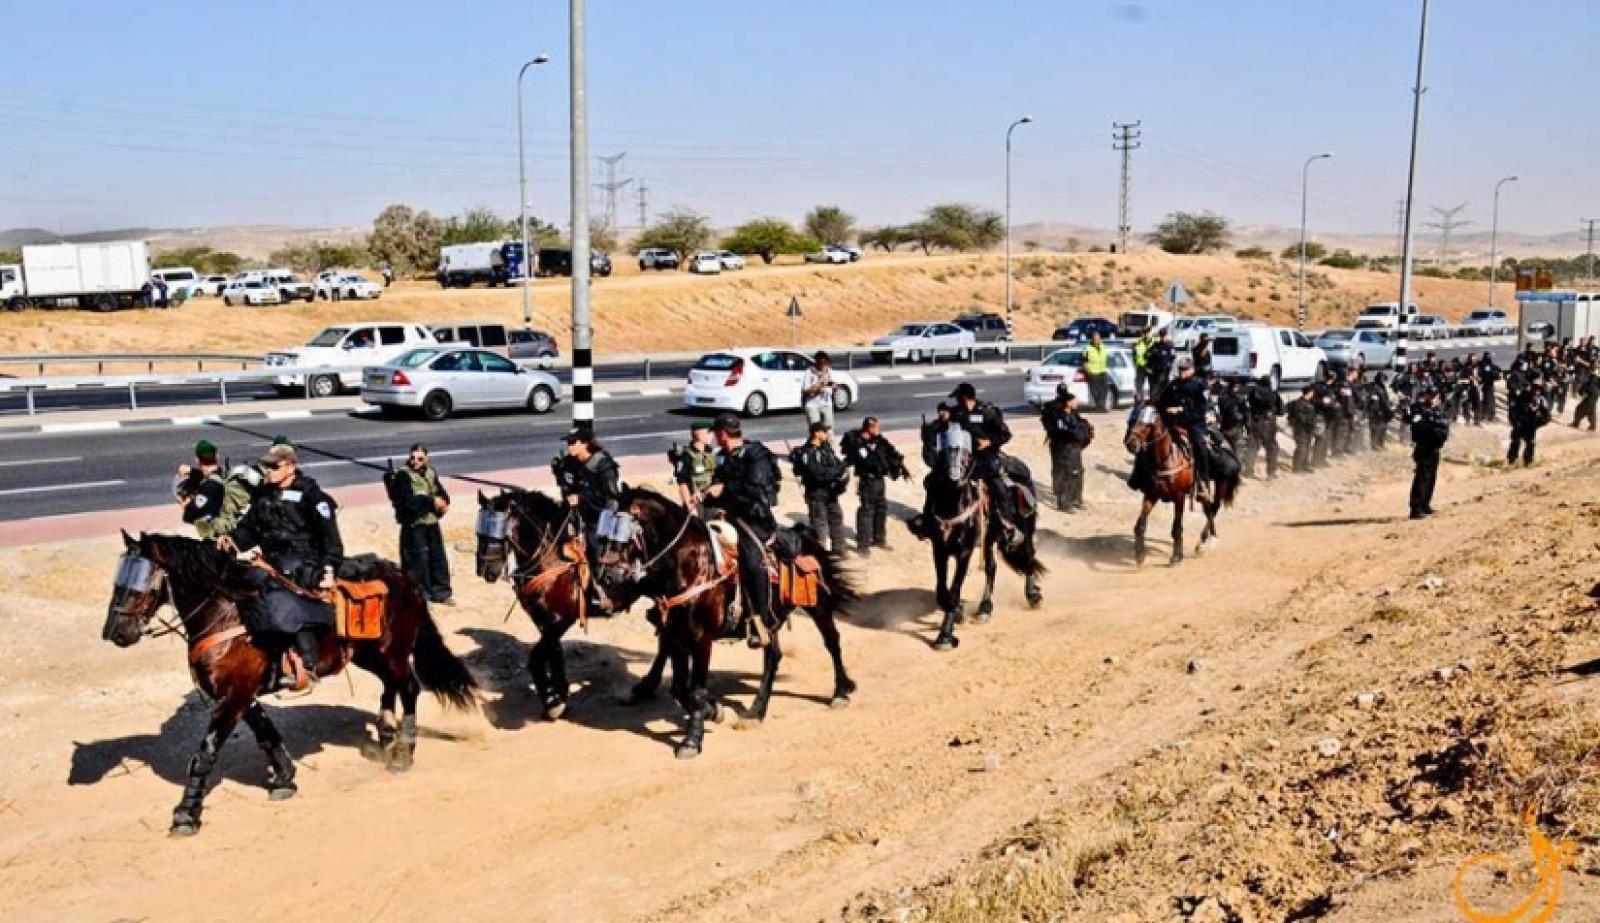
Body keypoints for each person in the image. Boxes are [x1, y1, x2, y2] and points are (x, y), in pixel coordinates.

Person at [219, 444, 342, 693]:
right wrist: (232, 538)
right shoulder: (264, 495)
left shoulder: (313, 497)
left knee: (279, 594)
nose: (268, 471)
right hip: (273, 561)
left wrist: (328, 569)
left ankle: (308, 661)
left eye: (274, 466)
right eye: (266, 466)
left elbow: (331, 539)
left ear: (291, 467)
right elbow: (248, 528)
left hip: (305, 562)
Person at [702, 414, 782, 644]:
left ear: (723, 433)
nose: (714, 437)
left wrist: (724, 489)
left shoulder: (757, 455)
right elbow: (717, 485)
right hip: (726, 515)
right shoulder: (722, 457)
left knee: (751, 561)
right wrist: (705, 495)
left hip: (754, 519)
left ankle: (762, 621)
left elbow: (755, 490)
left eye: (716, 433)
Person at [392, 444, 453, 605]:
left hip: (431, 522)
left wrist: (444, 502)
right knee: (418, 561)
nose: (415, 462)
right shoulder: (403, 476)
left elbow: (441, 492)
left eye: (420, 459)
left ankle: (442, 592)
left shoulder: (430, 472)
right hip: (414, 524)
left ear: (426, 459)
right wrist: (432, 501)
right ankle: (421, 597)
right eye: (412, 458)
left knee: (437, 557)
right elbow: (409, 503)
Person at [840, 416, 908, 556]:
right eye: (876, 427)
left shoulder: (879, 441)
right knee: (866, 511)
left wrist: (897, 464)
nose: (879, 430)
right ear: (869, 428)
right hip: (867, 481)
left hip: (879, 481)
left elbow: (890, 452)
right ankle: (863, 545)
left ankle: (879, 538)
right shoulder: (858, 443)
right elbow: (862, 461)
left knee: (881, 509)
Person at [1153, 356, 1212, 496]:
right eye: (1180, 369)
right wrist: (1163, 407)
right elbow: (1162, 402)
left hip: (1194, 424)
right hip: (1173, 423)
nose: (1181, 372)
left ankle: (1203, 481)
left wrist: (1182, 411)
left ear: (1192, 369)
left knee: (1200, 446)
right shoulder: (1173, 385)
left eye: (1185, 369)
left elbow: (1202, 409)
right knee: (1151, 441)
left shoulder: (1200, 385)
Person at [790, 422, 848, 553]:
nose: (826, 434)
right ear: (816, 433)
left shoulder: (825, 449)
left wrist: (839, 471)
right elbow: (818, 474)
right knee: (819, 526)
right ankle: (820, 553)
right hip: (816, 494)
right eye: (824, 432)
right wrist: (837, 470)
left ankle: (839, 550)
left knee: (836, 519)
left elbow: (836, 464)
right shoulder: (808, 453)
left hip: (830, 493)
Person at [175, 439, 240, 540]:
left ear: (197, 459)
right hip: (232, 529)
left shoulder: (209, 487)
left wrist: (186, 506)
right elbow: (211, 474)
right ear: (217, 456)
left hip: (217, 537)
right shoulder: (225, 474)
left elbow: (190, 516)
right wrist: (191, 471)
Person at [1040, 385, 1091, 510]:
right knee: (1067, 472)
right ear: (1068, 402)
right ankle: (1064, 502)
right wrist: (1080, 432)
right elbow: (1067, 431)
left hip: (1072, 447)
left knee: (1077, 471)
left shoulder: (1071, 413)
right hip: (1065, 447)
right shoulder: (1059, 414)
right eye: (1074, 400)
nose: (1077, 402)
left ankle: (1076, 499)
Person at [1408, 388, 1449, 520]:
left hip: (1434, 448)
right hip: (1424, 448)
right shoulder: (1420, 410)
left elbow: (1443, 426)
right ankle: (1416, 507)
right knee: (1422, 477)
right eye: (1433, 397)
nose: (1435, 400)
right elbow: (1418, 427)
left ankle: (1425, 504)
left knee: (1431, 478)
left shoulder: (1437, 411)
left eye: (1436, 397)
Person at [670, 420, 718, 512]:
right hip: (695, 503)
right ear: (700, 436)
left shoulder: (710, 453)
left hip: (712, 502)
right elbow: (682, 483)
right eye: (709, 432)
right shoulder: (685, 456)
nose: (712, 435)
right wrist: (690, 506)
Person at [1243, 375, 1284, 479]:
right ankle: (1270, 473)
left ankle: (1248, 471)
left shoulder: (1253, 392)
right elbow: (1281, 411)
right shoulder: (1273, 394)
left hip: (1255, 421)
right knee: (1271, 448)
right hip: (1268, 423)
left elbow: (1249, 404)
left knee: (1252, 447)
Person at [1506, 381, 1552, 467]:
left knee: (1530, 443)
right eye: (1535, 389)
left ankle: (1528, 462)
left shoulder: (1541, 401)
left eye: (1539, 390)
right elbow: (1512, 410)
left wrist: (1538, 424)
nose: (1536, 392)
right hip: (1519, 423)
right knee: (1515, 441)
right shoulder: (1522, 397)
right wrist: (1514, 421)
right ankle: (1511, 461)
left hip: (1531, 425)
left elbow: (1547, 417)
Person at [1215, 379, 1251, 464]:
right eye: (1237, 386)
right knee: (1239, 449)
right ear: (1235, 386)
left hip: (1224, 428)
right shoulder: (1240, 399)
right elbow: (1246, 414)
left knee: (1223, 450)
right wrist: (1248, 428)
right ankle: (1238, 469)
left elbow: (1219, 412)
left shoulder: (1221, 397)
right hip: (1236, 428)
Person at [1286, 385, 1319, 474]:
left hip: (1308, 429)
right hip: (1300, 429)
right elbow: (1301, 418)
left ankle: (1305, 465)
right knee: (1301, 447)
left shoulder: (1309, 402)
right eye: (1312, 392)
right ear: (1309, 393)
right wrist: (1311, 423)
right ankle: (1297, 468)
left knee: (1307, 447)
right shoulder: (1299, 403)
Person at [802, 351, 838, 431]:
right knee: (815, 430)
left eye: (826, 363)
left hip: (826, 404)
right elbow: (806, 391)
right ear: (817, 362)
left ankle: (828, 443)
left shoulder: (829, 371)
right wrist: (820, 384)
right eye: (822, 363)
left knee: (828, 428)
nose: (824, 365)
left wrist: (834, 387)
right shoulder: (809, 372)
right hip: (812, 405)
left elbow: (831, 385)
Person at [920, 400, 957, 469]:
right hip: (940, 457)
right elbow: (927, 441)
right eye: (940, 412)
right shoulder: (935, 425)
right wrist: (925, 430)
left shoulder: (956, 423)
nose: (942, 414)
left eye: (945, 411)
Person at [1083, 331, 1111, 412]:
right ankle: (1099, 407)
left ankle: (1101, 406)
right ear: (1092, 339)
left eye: (1098, 338)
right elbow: (1084, 361)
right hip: (1093, 372)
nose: (1096, 340)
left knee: (1104, 390)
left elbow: (1106, 358)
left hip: (1103, 371)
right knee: (1095, 392)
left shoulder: (1104, 347)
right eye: (1095, 339)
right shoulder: (1087, 348)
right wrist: (1088, 371)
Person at [1366, 373, 1393, 450]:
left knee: (1383, 427)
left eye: (1384, 379)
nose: (1383, 381)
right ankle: (1374, 445)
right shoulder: (1373, 386)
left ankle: (1381, 443)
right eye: (1382, 379)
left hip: (1384, 410)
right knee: (1375, 428)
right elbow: (1373, 398)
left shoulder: (1383, 387)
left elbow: (1386, 398)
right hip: (1375, 410)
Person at [1146, 329, 1176, 395]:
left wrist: (1169, 365)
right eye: (1162, 336)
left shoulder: (1169, 346)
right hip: (1155, 371)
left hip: (1164, 371)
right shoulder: (1155, 345)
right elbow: (1148, 355)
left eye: (1164, 336)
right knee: (1155, 388)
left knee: (1163, 388)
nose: (1163, 338)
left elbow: (1173, 357)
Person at [1573, 363, 1600, 432]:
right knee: (1591, 410)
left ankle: (1576, 423)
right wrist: (1581, 392)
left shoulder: (1594, 377)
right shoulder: (1590, 376)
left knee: (1580, 408)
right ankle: (1592, 426)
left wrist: (1581, 391)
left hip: (1592, 396)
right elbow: (1585, 385)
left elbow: (1586, 385)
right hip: (1591, 395)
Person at [1132, 329, 1155, 403]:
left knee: (1153, 385)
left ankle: (1153, 401)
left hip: (1151, 366)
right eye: (1146, 333)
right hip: (1141, 366)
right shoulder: (1138, 342)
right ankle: (1140, 401)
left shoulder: (1155, 342)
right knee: (1139, 385)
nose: (1147, 335)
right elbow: (1134, 354)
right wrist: (1135, 362)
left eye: (1149, 333)